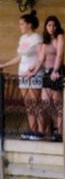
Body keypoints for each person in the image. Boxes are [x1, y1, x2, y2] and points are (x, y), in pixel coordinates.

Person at [0, 11, 44, 140]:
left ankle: (40, 131)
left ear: (29, 25)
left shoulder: (37, 38)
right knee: (28, 104)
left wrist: (34, 70)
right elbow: (19, 57)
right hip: (22, 73)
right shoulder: (22, 38)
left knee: (36, 102)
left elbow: (41, 57)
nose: (20, 26)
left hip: (34, 74)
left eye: (22, 24)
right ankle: (32, 130)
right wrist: (4, 65)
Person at [37, 15, 65, 141]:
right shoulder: (46, 40)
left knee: (58, 103)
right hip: (47, 73)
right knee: (45, 103)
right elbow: (41, 59)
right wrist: (32, 71)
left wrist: (55, 71)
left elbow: (60, 54)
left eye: (54, 25)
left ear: (57, 26)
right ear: (46, 27)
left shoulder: (60, 37)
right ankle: (52, 127)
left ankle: (60, 132)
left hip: (57, 71)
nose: (52, 28)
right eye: (49, 25)